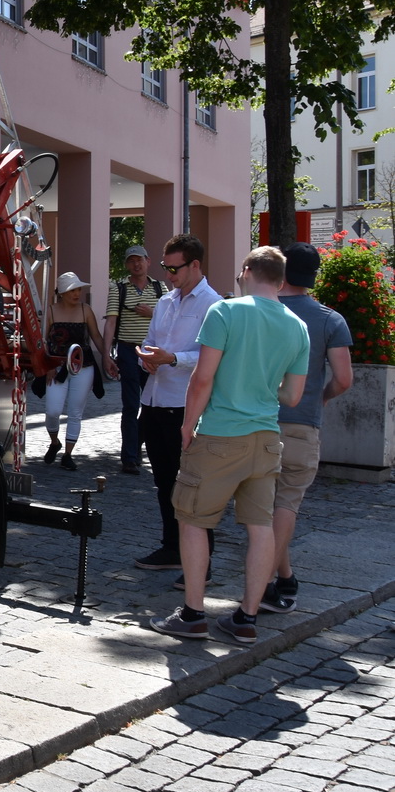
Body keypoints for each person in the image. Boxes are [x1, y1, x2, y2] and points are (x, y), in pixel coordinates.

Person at [151, 247, 308, 645]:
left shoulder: (226, 311)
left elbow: (202, 378)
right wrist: (258, 380)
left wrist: (187, 426)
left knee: (192, 520)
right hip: (266, 438)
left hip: (221, 433)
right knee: (260, 527)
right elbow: (292, 395)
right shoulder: (297, 325)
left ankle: (192, 614)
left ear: (247, 271)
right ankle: (246, 619)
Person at [264, 242, 353, 613]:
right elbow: (344, 379)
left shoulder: (259, 312)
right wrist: (321, 398)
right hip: (301, 422)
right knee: (285, 505)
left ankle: (285, 577)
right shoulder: (329, 319)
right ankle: (266, 584)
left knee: (263, 506)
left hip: (256, 421)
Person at [132, 234, 221, 576]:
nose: (168, 275)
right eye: (166, 267)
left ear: (195, 265)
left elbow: (212, 356)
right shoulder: (166, 302)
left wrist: (173, 359)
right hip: (154, 401)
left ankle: (203, 561)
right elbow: (149, 342)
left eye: (174, 268)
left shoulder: (213, 304)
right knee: (165, 481)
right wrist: (146, 358)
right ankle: (173, 547)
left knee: (193, 485)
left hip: (185, 406)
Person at [103, 244, 166, 474]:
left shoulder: (161, 288)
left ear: (148, 261)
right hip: (128, 351)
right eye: (131, 260)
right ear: (127, 265)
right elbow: (110, 321)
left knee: (150, 405)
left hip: (153, 352)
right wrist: (106, 355)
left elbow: (171, 318)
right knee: (131, 405)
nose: (136, 264)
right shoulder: (119, 289)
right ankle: (129, 456)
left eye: (140, 259)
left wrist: (153, 312)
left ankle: (137, 444)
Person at [39, 272, 109, 471]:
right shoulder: (51, 311)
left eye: (78, 289)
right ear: (62, 292)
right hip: (58, 367)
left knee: (75, 412)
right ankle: (55, 442)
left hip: (82, 365)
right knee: (52, 410)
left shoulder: (85, 310)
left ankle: (68, 455)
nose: (77, 293)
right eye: (72, 290)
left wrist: (106, 357)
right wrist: (49, 365)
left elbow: (95, 336)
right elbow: (42, 341)